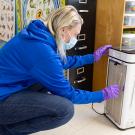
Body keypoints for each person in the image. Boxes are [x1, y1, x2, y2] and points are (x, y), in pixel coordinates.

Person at [0, 5, 119, 135]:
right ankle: (7, 130)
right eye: (75, 34)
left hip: (8, 87)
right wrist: (101, 95)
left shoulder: (39, 34)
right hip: (3, 98)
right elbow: (69, 94)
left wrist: (93, 57)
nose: (74, 39)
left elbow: (60, 62)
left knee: (45, 82)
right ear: (63, 29)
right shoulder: (42, 50)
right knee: (65, 109)